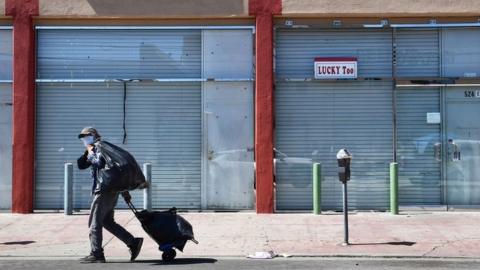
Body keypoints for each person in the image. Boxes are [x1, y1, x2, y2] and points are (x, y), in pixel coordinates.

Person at [77, 127, 143, 263]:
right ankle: (132, 242)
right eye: (83, 137)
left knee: (94, 223)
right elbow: (83, 165)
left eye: (86, 136)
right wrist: (124, 192)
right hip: (111, 191)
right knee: (107, 221)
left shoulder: (98, 148)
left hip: (103, 192)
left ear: (93, 135)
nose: (84, 139)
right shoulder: (104, 147)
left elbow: (99, 163)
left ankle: (97, 253)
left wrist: (90, 152)